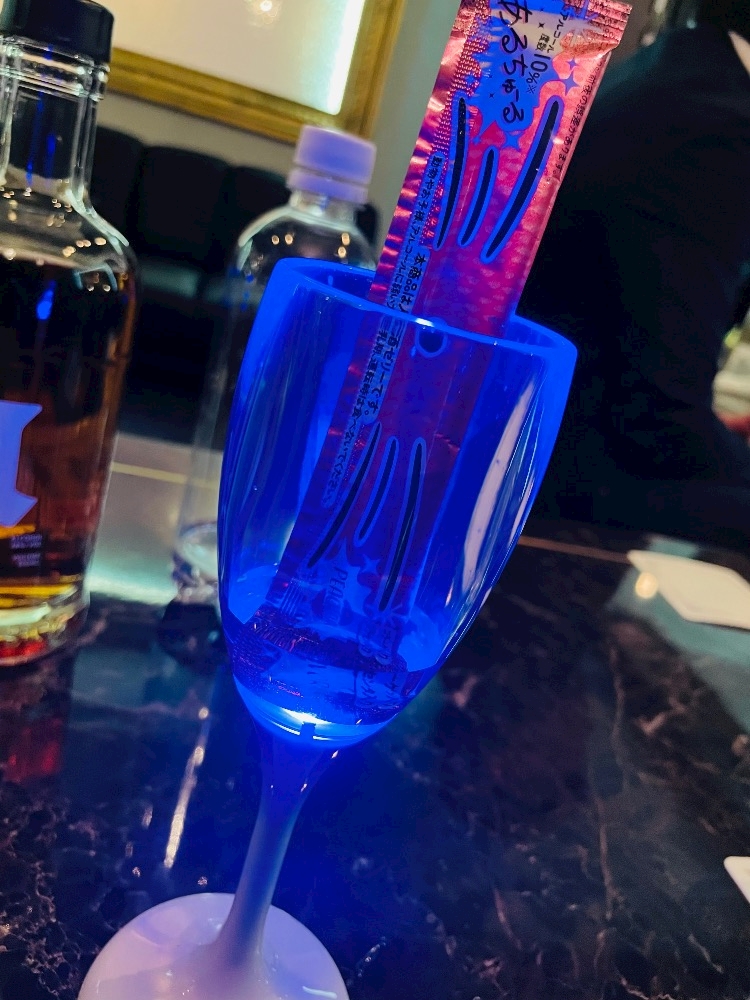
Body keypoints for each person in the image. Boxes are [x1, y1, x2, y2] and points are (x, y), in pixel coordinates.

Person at [519, 0, 750, 548]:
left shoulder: (680, 73)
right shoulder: (719, 122)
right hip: (560, 475)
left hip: (534, 434)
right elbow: (657, 419)